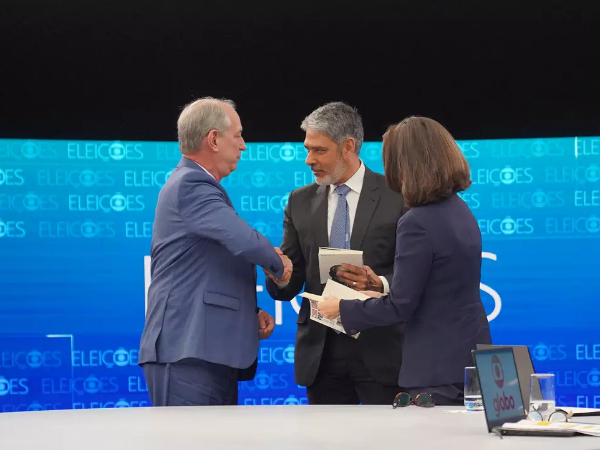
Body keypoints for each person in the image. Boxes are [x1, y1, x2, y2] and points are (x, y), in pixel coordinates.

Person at [318, 116, 493, 406]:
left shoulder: (417, 222)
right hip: (469, 358)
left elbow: (401, 306)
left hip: (435, 368)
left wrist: (342, 309)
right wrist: (381, 286)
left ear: (405, 165)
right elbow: (437, 287)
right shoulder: (460, 210)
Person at [139, 97, 292, 406]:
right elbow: (243, 239)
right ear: (213, 139)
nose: (243, 145)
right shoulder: (191, 184)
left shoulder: (194, 185)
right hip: (186, 352)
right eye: (238, 135)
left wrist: (247, 313)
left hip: (206, 352)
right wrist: (279, 264)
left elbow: (206, 267)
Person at [265, 102, 405, 405]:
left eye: (319, 150)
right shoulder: (299, 201)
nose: (309, 160)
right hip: (322, 353)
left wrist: (379, 282)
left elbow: (413, 272)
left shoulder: (397, 195)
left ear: (348, 147)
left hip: (381, 347)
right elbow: (291, 280)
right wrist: (279, 274)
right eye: (307, 149)